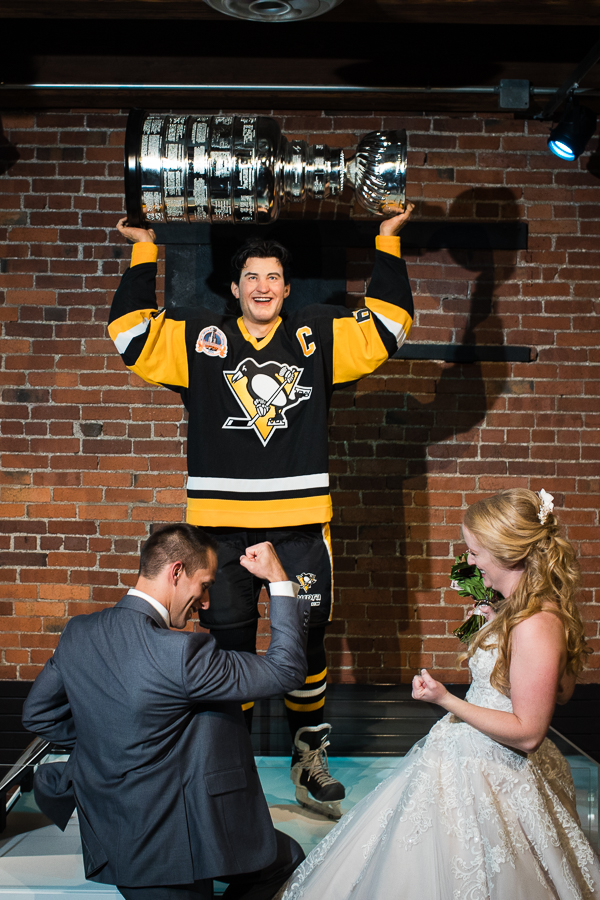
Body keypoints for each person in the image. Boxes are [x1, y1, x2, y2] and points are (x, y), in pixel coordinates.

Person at [109, 205, 415, 819]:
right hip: (220, 531)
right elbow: (130, 334)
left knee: (303, 643)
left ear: (286, 286)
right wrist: (146, 250)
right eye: (252, 276)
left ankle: (307, 756)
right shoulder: (203, 339)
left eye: (272, 276)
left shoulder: (314, 334)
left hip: (298, 526)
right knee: (228, 647)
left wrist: (387, 243)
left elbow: (387, 328)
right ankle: (230, 766)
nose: (263, 286)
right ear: (235, 286)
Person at [279, 489, 600, 900]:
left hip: (492, 770)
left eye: (475, 551)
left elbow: (528, 732)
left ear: (507, 553)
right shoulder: (520, 611)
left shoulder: (536, 622)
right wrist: (497, 622)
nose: (468, 561)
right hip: (467, 756)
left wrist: (445, 699)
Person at [22, 524, 312, 900]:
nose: (205, 601)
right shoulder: (182, 654)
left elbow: (38, 714)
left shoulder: (79, 633)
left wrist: (113, 736)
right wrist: (277, 578)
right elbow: (285, 670)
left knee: (283, 856)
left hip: (117, 838)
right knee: (286, 860)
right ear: (176, 572)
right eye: (204, 584)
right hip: (172, 850)